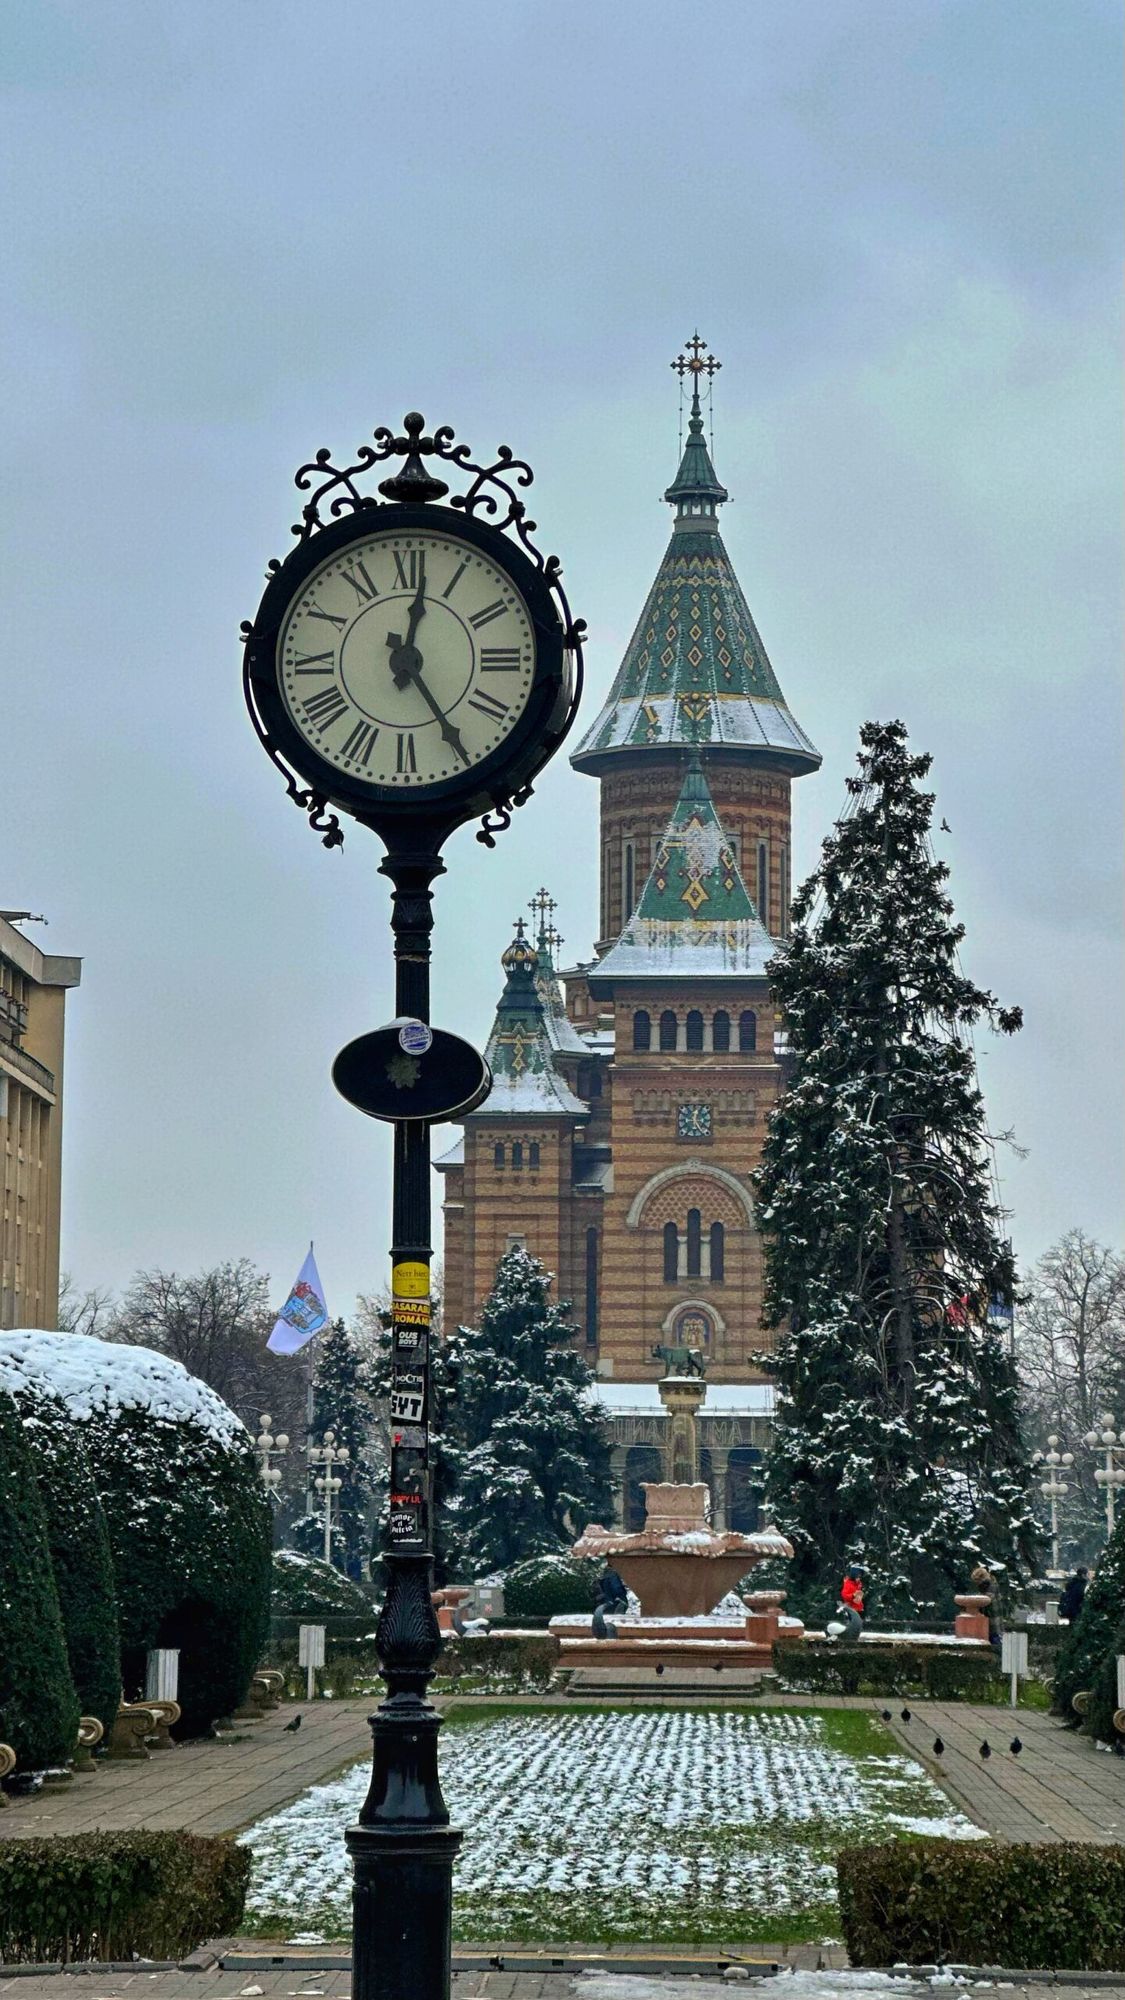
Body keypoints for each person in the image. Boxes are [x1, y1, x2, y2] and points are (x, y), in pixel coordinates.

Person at [591, 1562, 629, 1640]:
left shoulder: (604, 1575)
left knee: (606, 1622)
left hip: (606, 1603)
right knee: (615, 1623)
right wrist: (622, 1596)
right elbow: (617, 1588)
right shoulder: (613, 1575)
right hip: (615, 1603)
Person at [971, 1563, 1002, 1653]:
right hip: (990, 1619)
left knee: (995, 1642)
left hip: (993, 1620)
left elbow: (987, 1599)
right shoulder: (989, 1584)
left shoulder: (991, 1586)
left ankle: (1001, 1659)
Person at [838, 1563, 866, 1644]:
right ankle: (850, 1639)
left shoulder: (858, 1584)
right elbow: (845, 1595)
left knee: (858, 1625)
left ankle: (854, 1638)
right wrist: (853, 1595)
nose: (859, 1579)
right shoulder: (848, 1584)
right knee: (853, 1625)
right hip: (851, 1608)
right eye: (857, 1577)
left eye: (859, 1577)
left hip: (857, 1607)